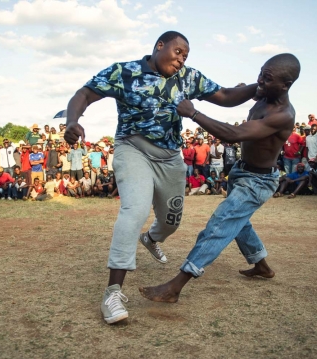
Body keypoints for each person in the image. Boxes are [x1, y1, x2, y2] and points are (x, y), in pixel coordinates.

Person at [64, 30, 264, 324]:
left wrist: (258, 87)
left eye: (186, 55)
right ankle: (113, 292)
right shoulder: (124, 72)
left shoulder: (189, 78)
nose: (181, 59)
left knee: (172, 221)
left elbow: (224, 95)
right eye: (178, 52)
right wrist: (72, 120)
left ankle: (153, 238)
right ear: (160, 46)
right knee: (134, 210)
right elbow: (84, 94)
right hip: (132, 148)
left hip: (170, 157)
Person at [139, 53, 301, 305]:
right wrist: (243, 89)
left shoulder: (283, 114)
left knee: (221, 224)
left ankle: (175, 286)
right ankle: (261, 266)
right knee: (239, 222)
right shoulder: (264, 94)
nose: (259, 80)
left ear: (285, 85)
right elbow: (229, 95)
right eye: (260, 72)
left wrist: (194, 114)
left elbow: (235, 134)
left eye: (266, 78)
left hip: (257, 182)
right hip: (242, 171)